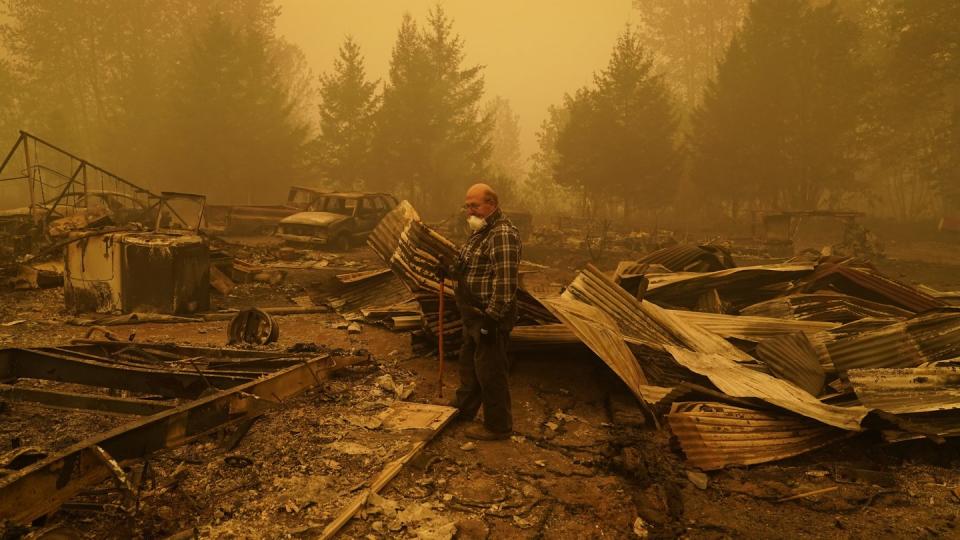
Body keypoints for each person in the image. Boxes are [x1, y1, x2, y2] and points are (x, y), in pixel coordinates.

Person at [449, 183, 522, 441]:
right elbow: (470, 265)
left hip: (489, 315)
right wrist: (450, 271)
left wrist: (491, 319)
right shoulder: (479, 230)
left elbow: (505, 283)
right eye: (467, 205)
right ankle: (464, 410)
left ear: (491, 204)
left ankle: (498, 426)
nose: (469, 210)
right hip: (472, 312)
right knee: (469, 364)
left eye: (475, 205)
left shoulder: (501, 234)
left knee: (490, 371)